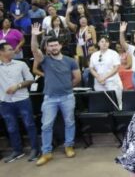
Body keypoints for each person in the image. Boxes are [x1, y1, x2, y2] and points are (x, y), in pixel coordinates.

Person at [30, 23, 81, 166]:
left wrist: (66, 87)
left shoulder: (70, 61)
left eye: (55, 45)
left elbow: (77, 78)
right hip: (50, 98)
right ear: (47, 48)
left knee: (69, 122)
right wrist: (34, 36)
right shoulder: (45, 60)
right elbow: (34, 50)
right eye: (50, 46)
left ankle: (69, 146)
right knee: (46, 126)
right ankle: (46, 152)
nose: (53, 47)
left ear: (60, 46)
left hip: (67, 97)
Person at [0, 42, 39, 162]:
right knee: (11, 127)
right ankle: (17, 150)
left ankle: (35, 149)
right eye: (9, 49)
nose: (13, 51)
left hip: (22, 99)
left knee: (29, 124)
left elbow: (30, 80)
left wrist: (18, 86)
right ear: (1, 52)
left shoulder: (21, 64)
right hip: (4, 101)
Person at [89, 36, 123, 108]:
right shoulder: (94, 55)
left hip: (112, 82)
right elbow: (91, 68)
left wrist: (104, 77)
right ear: (98, 43)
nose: (104, 43)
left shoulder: (113, 53)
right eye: (102, 41)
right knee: (102, 103)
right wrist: (98, 77)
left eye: (106, 42)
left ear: (109, 44)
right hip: (99, 82)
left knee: (116, 103)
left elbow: (116, 67)